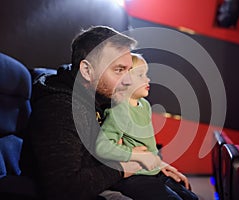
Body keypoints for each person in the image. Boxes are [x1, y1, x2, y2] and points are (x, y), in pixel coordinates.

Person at [20, 26, 194, 200]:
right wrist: (124, 166)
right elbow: (64, 188)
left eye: (129, 70)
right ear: (87, 71)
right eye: (119, 70)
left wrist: (155, 163)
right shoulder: (59, 110)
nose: (128, 81)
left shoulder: (101, 96)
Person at [95, 54, 198, 200]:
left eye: (146, 74)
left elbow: (147, 146)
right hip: (134, 176)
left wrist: (159, 163)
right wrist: (131, 153)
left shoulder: (145, 105)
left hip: (151, 170)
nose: (148, 79)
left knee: (190, 197)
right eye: (140, 75)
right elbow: (102, 146)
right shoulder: (119, 110)